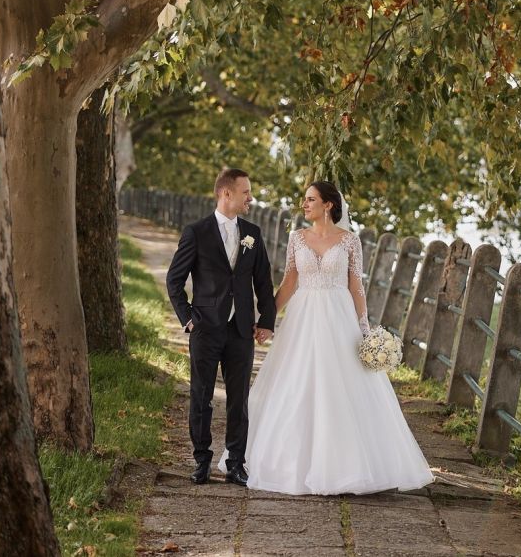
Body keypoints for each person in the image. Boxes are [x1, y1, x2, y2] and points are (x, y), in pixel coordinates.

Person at [219, 180, 434, 495]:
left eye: (310, 200)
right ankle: (290, 461)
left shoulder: (349, 241)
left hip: (339, 317)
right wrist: (267, 319)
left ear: (328, 205)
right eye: (304, 200)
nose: (304, 205)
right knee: (295, 381)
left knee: (342, 385)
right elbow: (290, 281)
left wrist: (363, 327)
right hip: (303, 316)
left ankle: (349, 465)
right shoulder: (297, 238)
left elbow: (355, 286)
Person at [166, 168, 276, 486]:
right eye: (246, 192)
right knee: (201, 396)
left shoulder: (252, 233)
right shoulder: (196, 232)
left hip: (241, 329)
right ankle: (201, 460)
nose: (250, 198)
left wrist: (266, 322)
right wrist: (187, 317)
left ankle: (235, 463)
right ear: (226, 193)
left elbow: (263, 283)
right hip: (205, 327)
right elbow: (175, 280)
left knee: (239, 400)